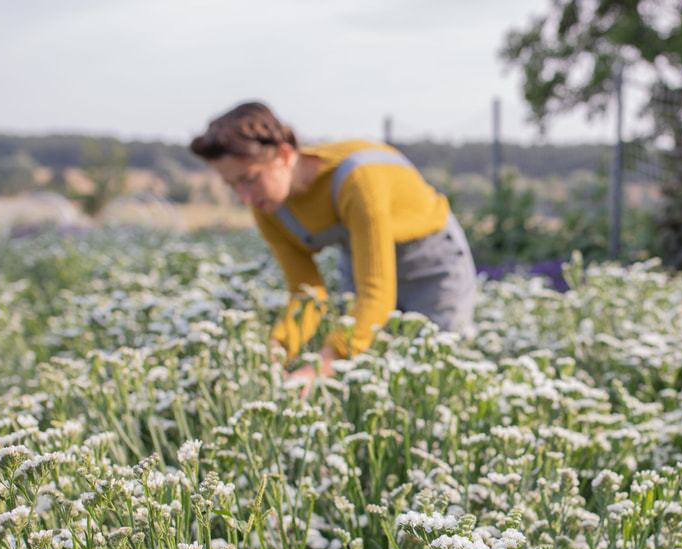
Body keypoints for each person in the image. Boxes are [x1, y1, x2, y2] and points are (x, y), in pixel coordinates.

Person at [189, 102, 477, 381]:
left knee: (434, 374)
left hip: (433, 267)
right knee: (371, 371)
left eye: (250, 178)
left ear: (285, 154)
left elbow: (376, 294)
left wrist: (325, 363)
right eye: (232, 185)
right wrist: (276, 350)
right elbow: (307, 294)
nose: (244, 197)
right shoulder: (268, 207)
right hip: (365, 264)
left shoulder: (358, 180)